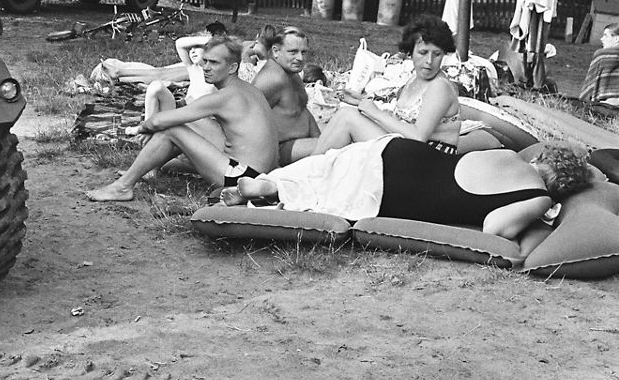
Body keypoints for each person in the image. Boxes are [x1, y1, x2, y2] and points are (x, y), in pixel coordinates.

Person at [221, 139, 592, 240]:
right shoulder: (536, 196)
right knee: (327, 200)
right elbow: (497, 230)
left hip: (395, 150)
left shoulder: (511, 156)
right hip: (396, 189)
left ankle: (269, 182)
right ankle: (270, 194)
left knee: (326, 169)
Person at [86, 37, 280, 202]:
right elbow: (182, 116)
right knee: (183, 121)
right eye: (205, 61)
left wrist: (142, 128)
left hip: (244, 179)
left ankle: (123, 187)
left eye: (214, 63)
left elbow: (158, 122)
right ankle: (151, 168)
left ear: (232, 68)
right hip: (264, 174)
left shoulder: (224, 97)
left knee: (171, 129)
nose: (206, 67)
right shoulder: (247, 89)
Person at [312, 14, 461, 155]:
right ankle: (309, 168)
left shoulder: (439, 86)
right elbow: (400, 122)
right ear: (410, 52)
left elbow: (418, 137)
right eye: (423, 52)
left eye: (437, 54)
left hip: (430, 160)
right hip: (409, 150)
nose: (429, 61)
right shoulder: (413, 80)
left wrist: (375, 113)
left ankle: (306, 172)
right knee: (346, 114)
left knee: (348, 118)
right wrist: (363, 102)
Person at [251, 26, 321, 165]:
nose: (300, 58)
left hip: (300, 140)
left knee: (341, 131)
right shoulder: (272, 79)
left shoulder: (291, 73)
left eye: (304, 52)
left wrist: (318, 137)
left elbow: (302, 110)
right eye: (293, 52)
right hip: (282, 149)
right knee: (340, 146)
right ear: (276, 51)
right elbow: (246, 119)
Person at [580, 24, 619, 104]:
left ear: (616, 39)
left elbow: (590, 86)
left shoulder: (602, 55)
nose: (602, 39)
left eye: (605, 36)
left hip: (604, 105)